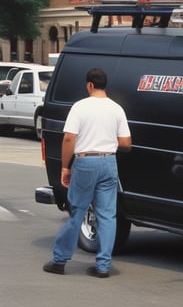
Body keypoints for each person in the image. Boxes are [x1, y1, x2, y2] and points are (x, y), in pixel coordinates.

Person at [43, 67, 132, 278]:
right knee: (107, 215)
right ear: (104, 85)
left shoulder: (80, 107)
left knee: (77, 213)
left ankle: (59, 261)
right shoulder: (117, 109)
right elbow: (126, 143)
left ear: (90, 85)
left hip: (85, 162)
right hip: (109, 162)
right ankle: (103, 266)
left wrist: (65, 167)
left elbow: (68, 139)